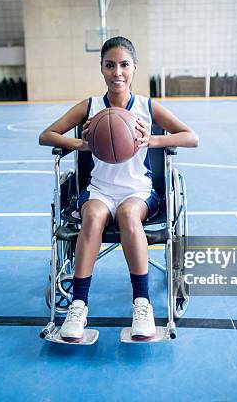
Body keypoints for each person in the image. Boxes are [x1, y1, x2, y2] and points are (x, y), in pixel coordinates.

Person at [39, 36, 198, 340]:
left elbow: (192, 137)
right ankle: (78, 306)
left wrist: (154, 140)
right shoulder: (90, 107)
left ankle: (142, 303)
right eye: (110, 65)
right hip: (98, 190)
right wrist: (80, 144)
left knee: (128, 215)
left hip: (139, 192)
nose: (117, 72)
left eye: (124, 65)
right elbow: (46, 135)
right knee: (94, 217)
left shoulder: (147, 107)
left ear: (134, 68)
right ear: (101, 69)